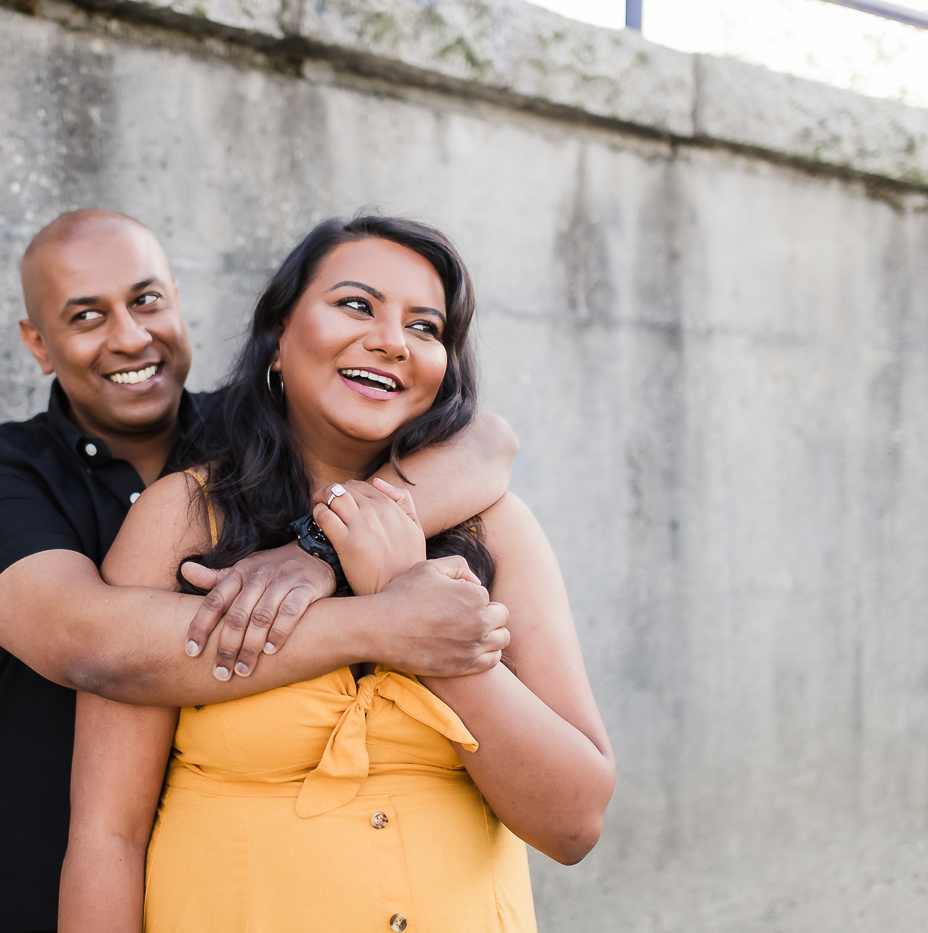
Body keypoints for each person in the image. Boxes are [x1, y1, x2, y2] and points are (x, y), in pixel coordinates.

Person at [0, 209, 518, 933]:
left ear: (178, 300)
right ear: (37, 343)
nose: (129, 335)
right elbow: (86, 643)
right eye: (86, 315)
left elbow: (487, 442)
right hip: (37, 869)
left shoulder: (258, 441)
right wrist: (381, 621)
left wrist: (318, 552)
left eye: (147, 300)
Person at [59, 216, 616, 932]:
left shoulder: (496, 528)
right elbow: (109, 836)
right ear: (280, 339)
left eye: (426, 326)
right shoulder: (185, 520)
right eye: (358, 304)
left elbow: (574, 824)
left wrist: (424, 620)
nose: (392, 339)